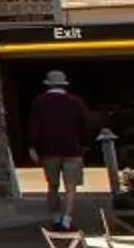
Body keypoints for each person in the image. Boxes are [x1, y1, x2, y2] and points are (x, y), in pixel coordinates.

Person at [26, 69, 94, 232]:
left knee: (52, 185)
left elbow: (34, 126)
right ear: (64, 85)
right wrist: (85, 144)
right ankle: (67, 220)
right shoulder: (76, 102)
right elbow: (84, 125)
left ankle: (55, 218)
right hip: (72, 149)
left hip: (48, 150)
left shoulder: (39, 102)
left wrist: (31, 146)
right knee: (71, 187)